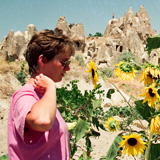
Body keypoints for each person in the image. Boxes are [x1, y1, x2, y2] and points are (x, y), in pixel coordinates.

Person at [7, 29, 75, 160]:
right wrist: (50, 87)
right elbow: (42, 121)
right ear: (42, 60)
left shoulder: (42, 97)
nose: (68, 68)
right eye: (64, 62)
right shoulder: (24, 95)